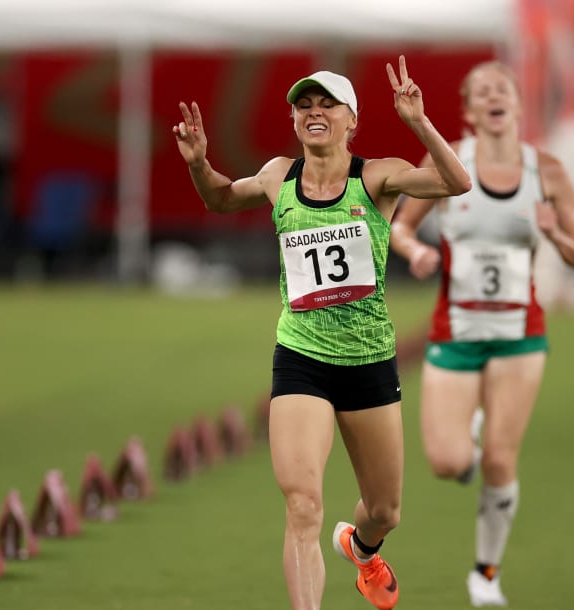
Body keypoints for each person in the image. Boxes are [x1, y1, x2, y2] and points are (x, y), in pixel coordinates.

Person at [173, 56, 471, 610]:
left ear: (351, 119)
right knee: (303, 504)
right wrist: (198, 164)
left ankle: (362, 549)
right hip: (301, 359)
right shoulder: (275, 176)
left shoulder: (377, 176)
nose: (313, 113)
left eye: (326, 105)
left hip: (369, 361)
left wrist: (418, 122)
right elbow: (219, 198)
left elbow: (456, 182)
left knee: (384, 511)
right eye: (303, 106)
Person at [389, 60, 574, 607]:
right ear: (470, 111)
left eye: (503, 88)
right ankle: (471, 442)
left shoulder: (545, 171)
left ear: (518, 105)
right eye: (482, 92)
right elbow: (399, 229)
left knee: (503, 459)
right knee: (449, 463)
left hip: (519, 334)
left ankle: (486, 574)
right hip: (454, 332)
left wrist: (556, 237)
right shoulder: (447, 165)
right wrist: (419, 252)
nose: (494, 97)